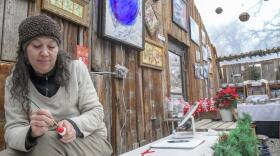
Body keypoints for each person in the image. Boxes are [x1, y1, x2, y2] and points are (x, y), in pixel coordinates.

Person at [0, 14, 112, 156]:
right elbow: (12, 130)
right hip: (39, 143)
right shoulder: (14, 82)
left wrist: (74, 125)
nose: (45, 53)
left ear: (58, 49)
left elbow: (96, 111)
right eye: (36, 46)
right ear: (24, 50)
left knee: (45, 144)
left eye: (51, 46)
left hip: (88, 139)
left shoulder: (76, 69)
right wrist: (31, 133)